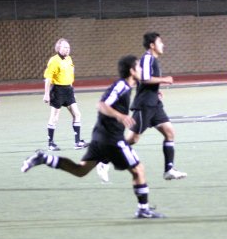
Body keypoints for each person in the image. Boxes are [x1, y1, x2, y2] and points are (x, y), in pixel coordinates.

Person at [21, 55, 165, 219]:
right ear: (132, 71)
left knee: (80, 170)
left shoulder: (128, 84)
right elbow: (102, 105)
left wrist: (155, 94)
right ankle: (143, 209)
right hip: (113, 139)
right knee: (138, 170)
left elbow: (142, 85)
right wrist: (120, 116)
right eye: (138, 67)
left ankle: (44, 158)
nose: (141, 70)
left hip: (100, 137)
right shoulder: (121, 86)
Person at [125, 32, 187, 181]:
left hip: (155, 104)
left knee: (169, 133)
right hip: (145, 105)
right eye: (160, 42)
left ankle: (169, 170)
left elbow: (147, 81)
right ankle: (104, 158)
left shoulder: (153, 59)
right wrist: (164, 80)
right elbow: (144, 79)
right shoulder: (147, 58)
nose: (163, 44)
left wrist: (156, 91)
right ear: (152, 45)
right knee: (132, 139)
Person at [43, 39, 88, 150]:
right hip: (58, 90)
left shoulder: (69, 59)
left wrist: (72, 90)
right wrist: (46, 94)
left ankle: (77, 143)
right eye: (64, 47)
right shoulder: (54, 60)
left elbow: (70, 75)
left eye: (68, 47)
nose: (67, 50)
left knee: (77, 114)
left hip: (68, 90)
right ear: (58, 48)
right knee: (54, 117)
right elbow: (48, 78)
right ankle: (50, 144)